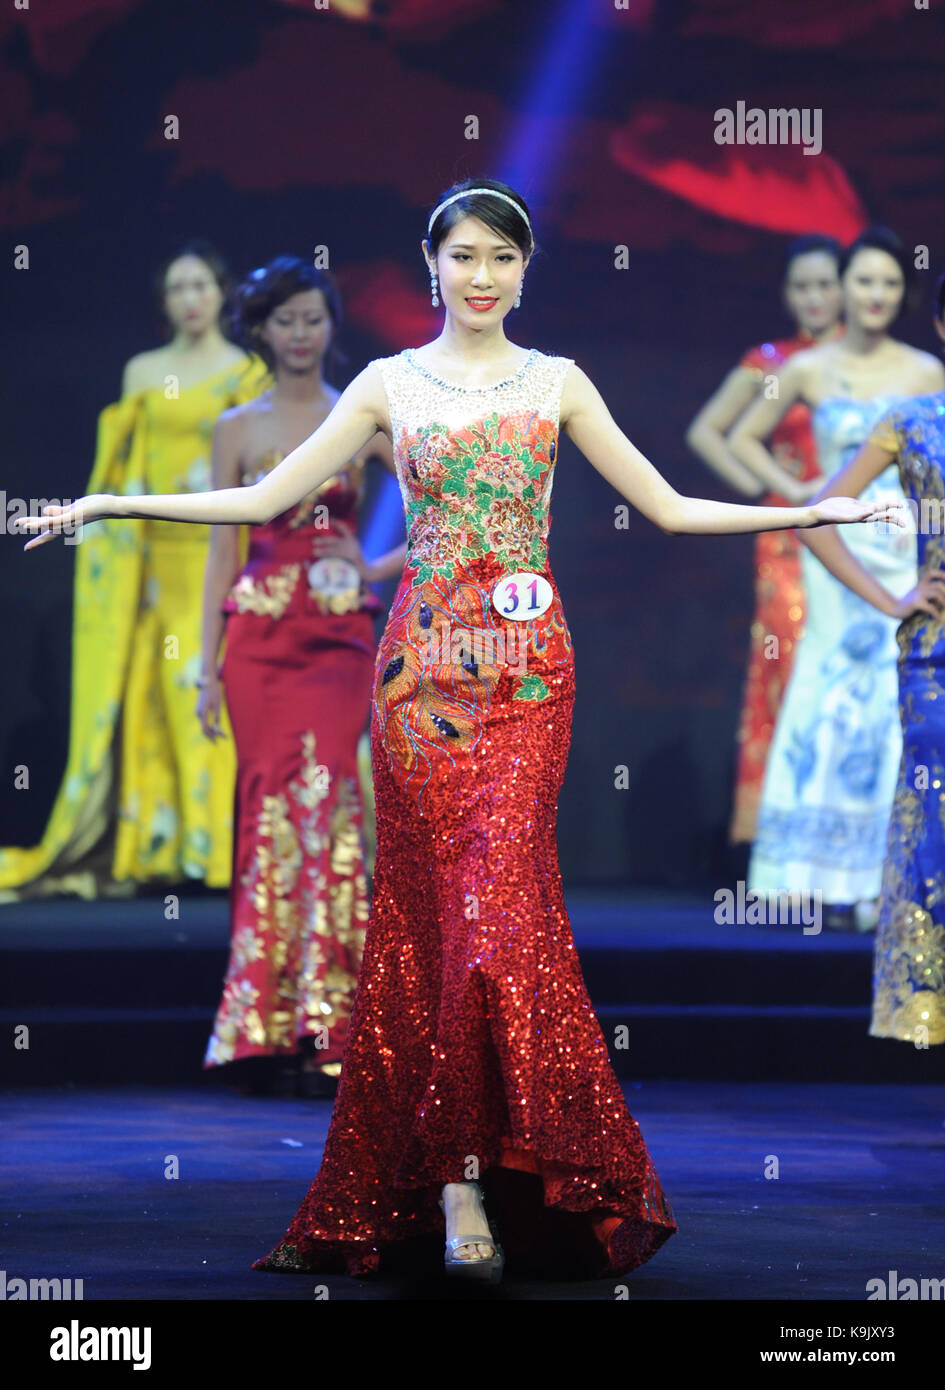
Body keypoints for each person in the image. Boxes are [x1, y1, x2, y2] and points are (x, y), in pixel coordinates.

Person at [14, 179, 901, 1282]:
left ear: (527, 270)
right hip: (419, 683)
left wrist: (813, 508)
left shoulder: (558, 383)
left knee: (506, 918)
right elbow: (262, 500)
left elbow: (671, 503)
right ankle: (453, 1178)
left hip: (530, 681)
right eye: (465, 256)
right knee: (440, 923)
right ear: (430, 262)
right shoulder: (390, 386)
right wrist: (108, 505)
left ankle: (508, 1165)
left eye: (504, 259)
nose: (483, 277)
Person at [0, 242, 269, 901]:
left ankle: (216, 852)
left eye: (201, 284)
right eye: (177, 287)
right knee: (154, 701)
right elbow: (118, 473)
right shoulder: (143, 372)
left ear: (221, 292)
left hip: (220, 554)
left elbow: (258, 471)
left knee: (207, 697)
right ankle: (158, 850)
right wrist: (99, 533)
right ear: (165, 302)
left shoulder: (247, 372)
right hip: (152, 564)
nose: (190, 298)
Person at [198, 257, 405, 1097]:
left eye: (313, 318)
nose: (299, 334)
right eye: (284, 320)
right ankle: (261, 1024)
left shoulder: (357, 414)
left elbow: (442, 508)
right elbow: (222, 544)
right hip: (255, 641)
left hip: (335, 641)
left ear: (330, 325)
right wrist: (205, 668)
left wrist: (373, 564)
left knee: (330, 808)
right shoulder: (234, 426)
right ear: (262, 329)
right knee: (268, 810)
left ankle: (333, 1024)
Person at [730, 228, 944, 928]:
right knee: (824, 689)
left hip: (903, 546)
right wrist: (797, 498)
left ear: (902, 294)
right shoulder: (806, 367)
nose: (875, 295)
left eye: (888, 283)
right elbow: (733, 436)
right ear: (840, 288)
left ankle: (875, 878)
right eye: (862, 281)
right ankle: (807, 872)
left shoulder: (925, 372)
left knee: (892, 701)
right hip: (833, 549)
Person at [797, 273, 945, 1046]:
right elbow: (819, 519)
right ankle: (926, 1016)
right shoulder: (911, 422)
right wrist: (891, 600)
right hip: (935, 663)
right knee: (936, 839)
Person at [686, 234, 844, 846]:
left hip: (859, 534)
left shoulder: (868, 365)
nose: (814, 298)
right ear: (787, 293)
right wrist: (777, 491)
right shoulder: (773, 363)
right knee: (788, 663)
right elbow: (709, 432)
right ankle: (782, 838)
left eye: (825, 285)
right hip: (790, 538)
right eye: (802, 286)